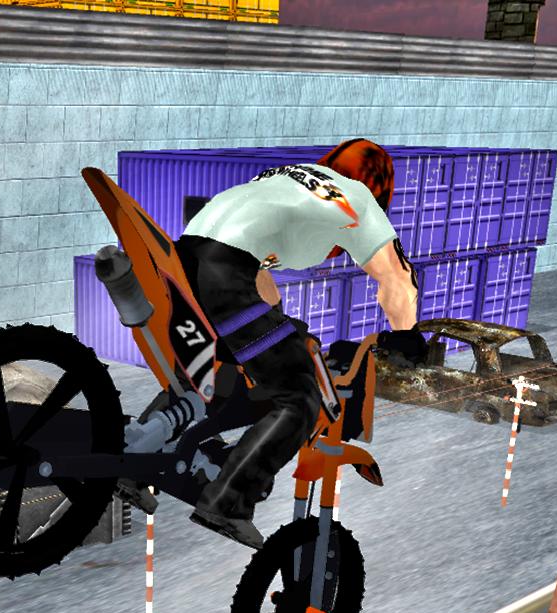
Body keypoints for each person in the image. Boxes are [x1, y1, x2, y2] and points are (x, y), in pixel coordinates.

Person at [145, 139, 424, 548]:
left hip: (184, 259)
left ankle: (139, 458)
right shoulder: (358, 197)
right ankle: (228, 501)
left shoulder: (282, 178)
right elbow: (397, 277)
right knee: (299, 397)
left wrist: (277, 321)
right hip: (225, 273)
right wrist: (406, 337)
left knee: (214, 369)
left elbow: (256, 263)